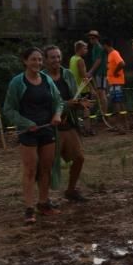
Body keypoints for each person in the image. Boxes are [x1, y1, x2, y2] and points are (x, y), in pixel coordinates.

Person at [3, 47, 64, 225]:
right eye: (33, 60)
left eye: (39, 60)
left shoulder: (46, 80)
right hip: (28, 132)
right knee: (30, 170)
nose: (37, 63)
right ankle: (29, 209)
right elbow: (8, 109)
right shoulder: (17, 82)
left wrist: (57, 115)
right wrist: (25, 123)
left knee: (45, 169)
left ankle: (43, 203)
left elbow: (58, 101)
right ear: (25, 61)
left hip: (47, 130)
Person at [43, 45, 89, 202]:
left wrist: (80, 103)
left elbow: (74, 96)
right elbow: (45, 104)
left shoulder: (67, 74)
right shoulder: (42, 78)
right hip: (51, 127)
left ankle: (71, 190)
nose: (56, 60)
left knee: (79, 157)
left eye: (58, 56)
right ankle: (44, 199)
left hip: (68, 124)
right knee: (48, 165)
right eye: (52, 57)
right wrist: (66, 104)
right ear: (46, 60)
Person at [69, 40, 95, 135]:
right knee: (86, 108)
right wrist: (91, 88)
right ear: (80, 49)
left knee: (76, 109)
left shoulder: (72, 58)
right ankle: (87, 129)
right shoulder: (80, 60)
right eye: (85, 48)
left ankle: (78, 128)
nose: (86, 50)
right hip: (83, 88)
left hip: (75, 88)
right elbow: (84, 76)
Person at [104, 39, 128, 132]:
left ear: (105, 45)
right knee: (117, 103)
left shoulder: (114, 53)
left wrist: (115, 72)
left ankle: (121, 125)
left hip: (116, 82)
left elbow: (122, 63)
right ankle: (122, 125)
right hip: (113, 82)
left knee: (118, 103)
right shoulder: (110, 55)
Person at [84, 30, 108, 121]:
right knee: (98, 93)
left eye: (93, 38)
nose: (91, 40)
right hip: (97, 73)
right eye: (89, 38)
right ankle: (101, 112)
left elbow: (98, 61)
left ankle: (104, 114)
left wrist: (90, 71)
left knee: (102, 93)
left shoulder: (99, 48)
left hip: (101, 73)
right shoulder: (94, 48)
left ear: (97, 38)